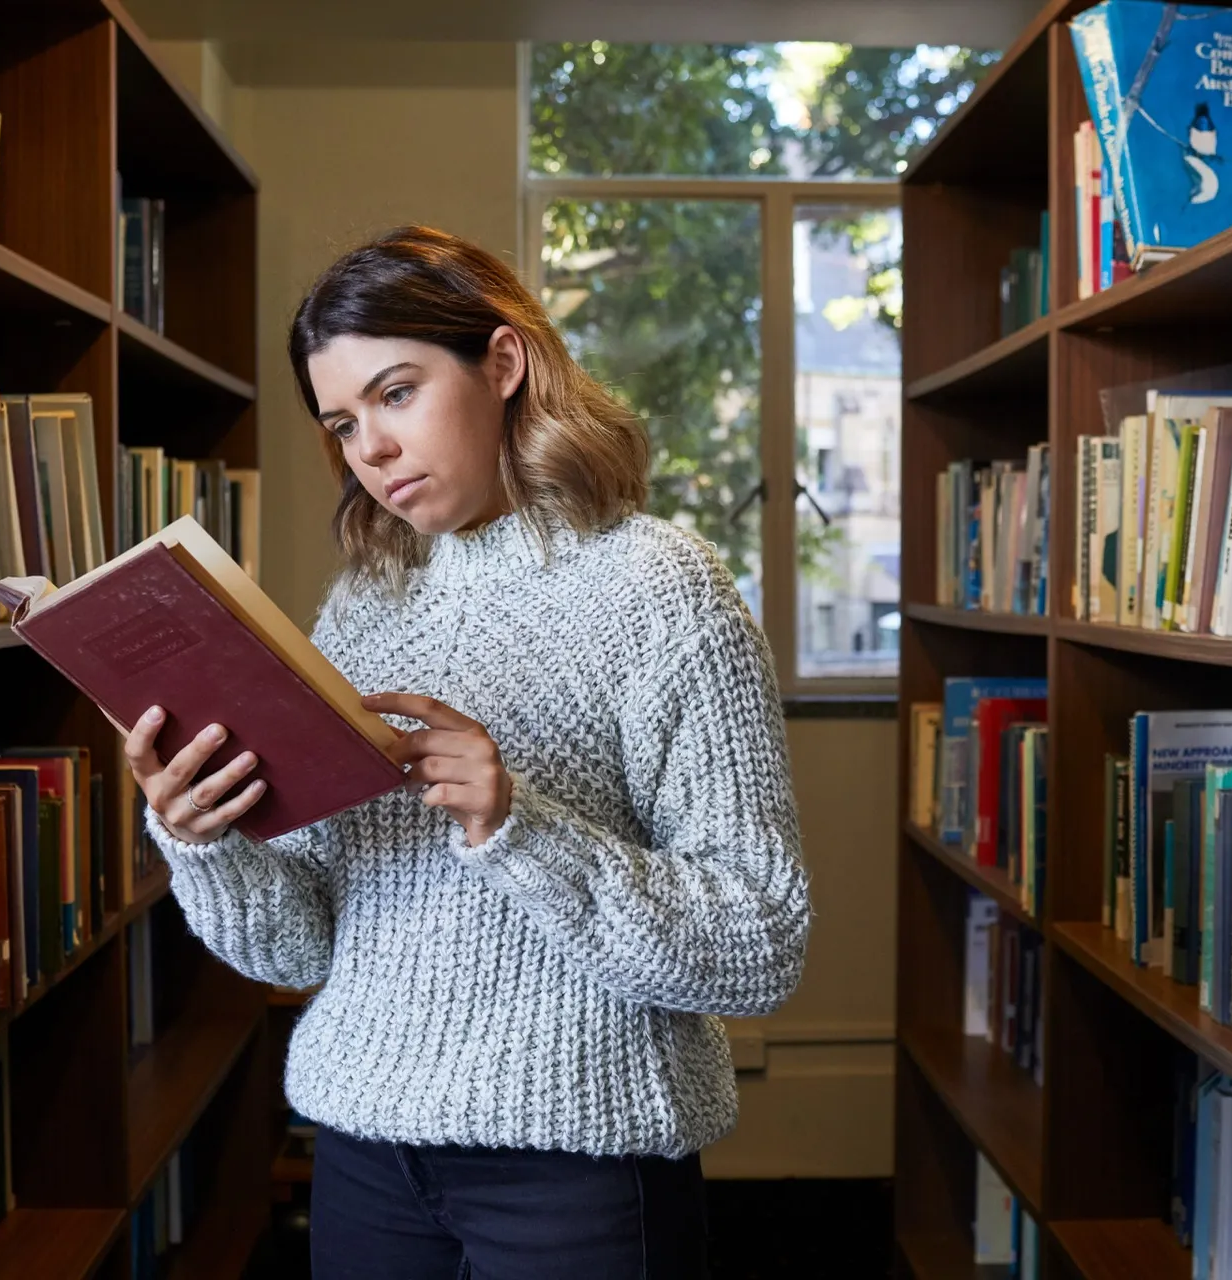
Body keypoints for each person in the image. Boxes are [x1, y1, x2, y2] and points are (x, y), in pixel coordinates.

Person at [123, 225, 809, 1279]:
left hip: (580, 1162)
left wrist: (517, 824)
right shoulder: (364, 606)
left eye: (396, 393)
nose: (372, 449)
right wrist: (202, 833)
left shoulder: (662, 587)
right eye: (343, 423)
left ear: (502, 362)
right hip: (365, 1148)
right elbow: (302, 944)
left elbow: (761, 939)